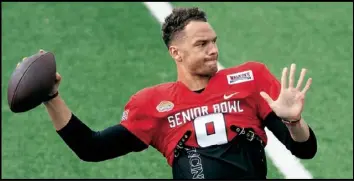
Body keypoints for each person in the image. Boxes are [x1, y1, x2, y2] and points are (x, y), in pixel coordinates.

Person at [22, 7, 317, 179]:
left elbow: (305, 149)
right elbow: (91, 148)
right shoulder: (151, 104)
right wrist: (51, 98)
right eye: (202, 44)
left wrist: (293, 121)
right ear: (176, 52)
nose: (213, 49)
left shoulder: (250, 79)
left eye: (214, 41)